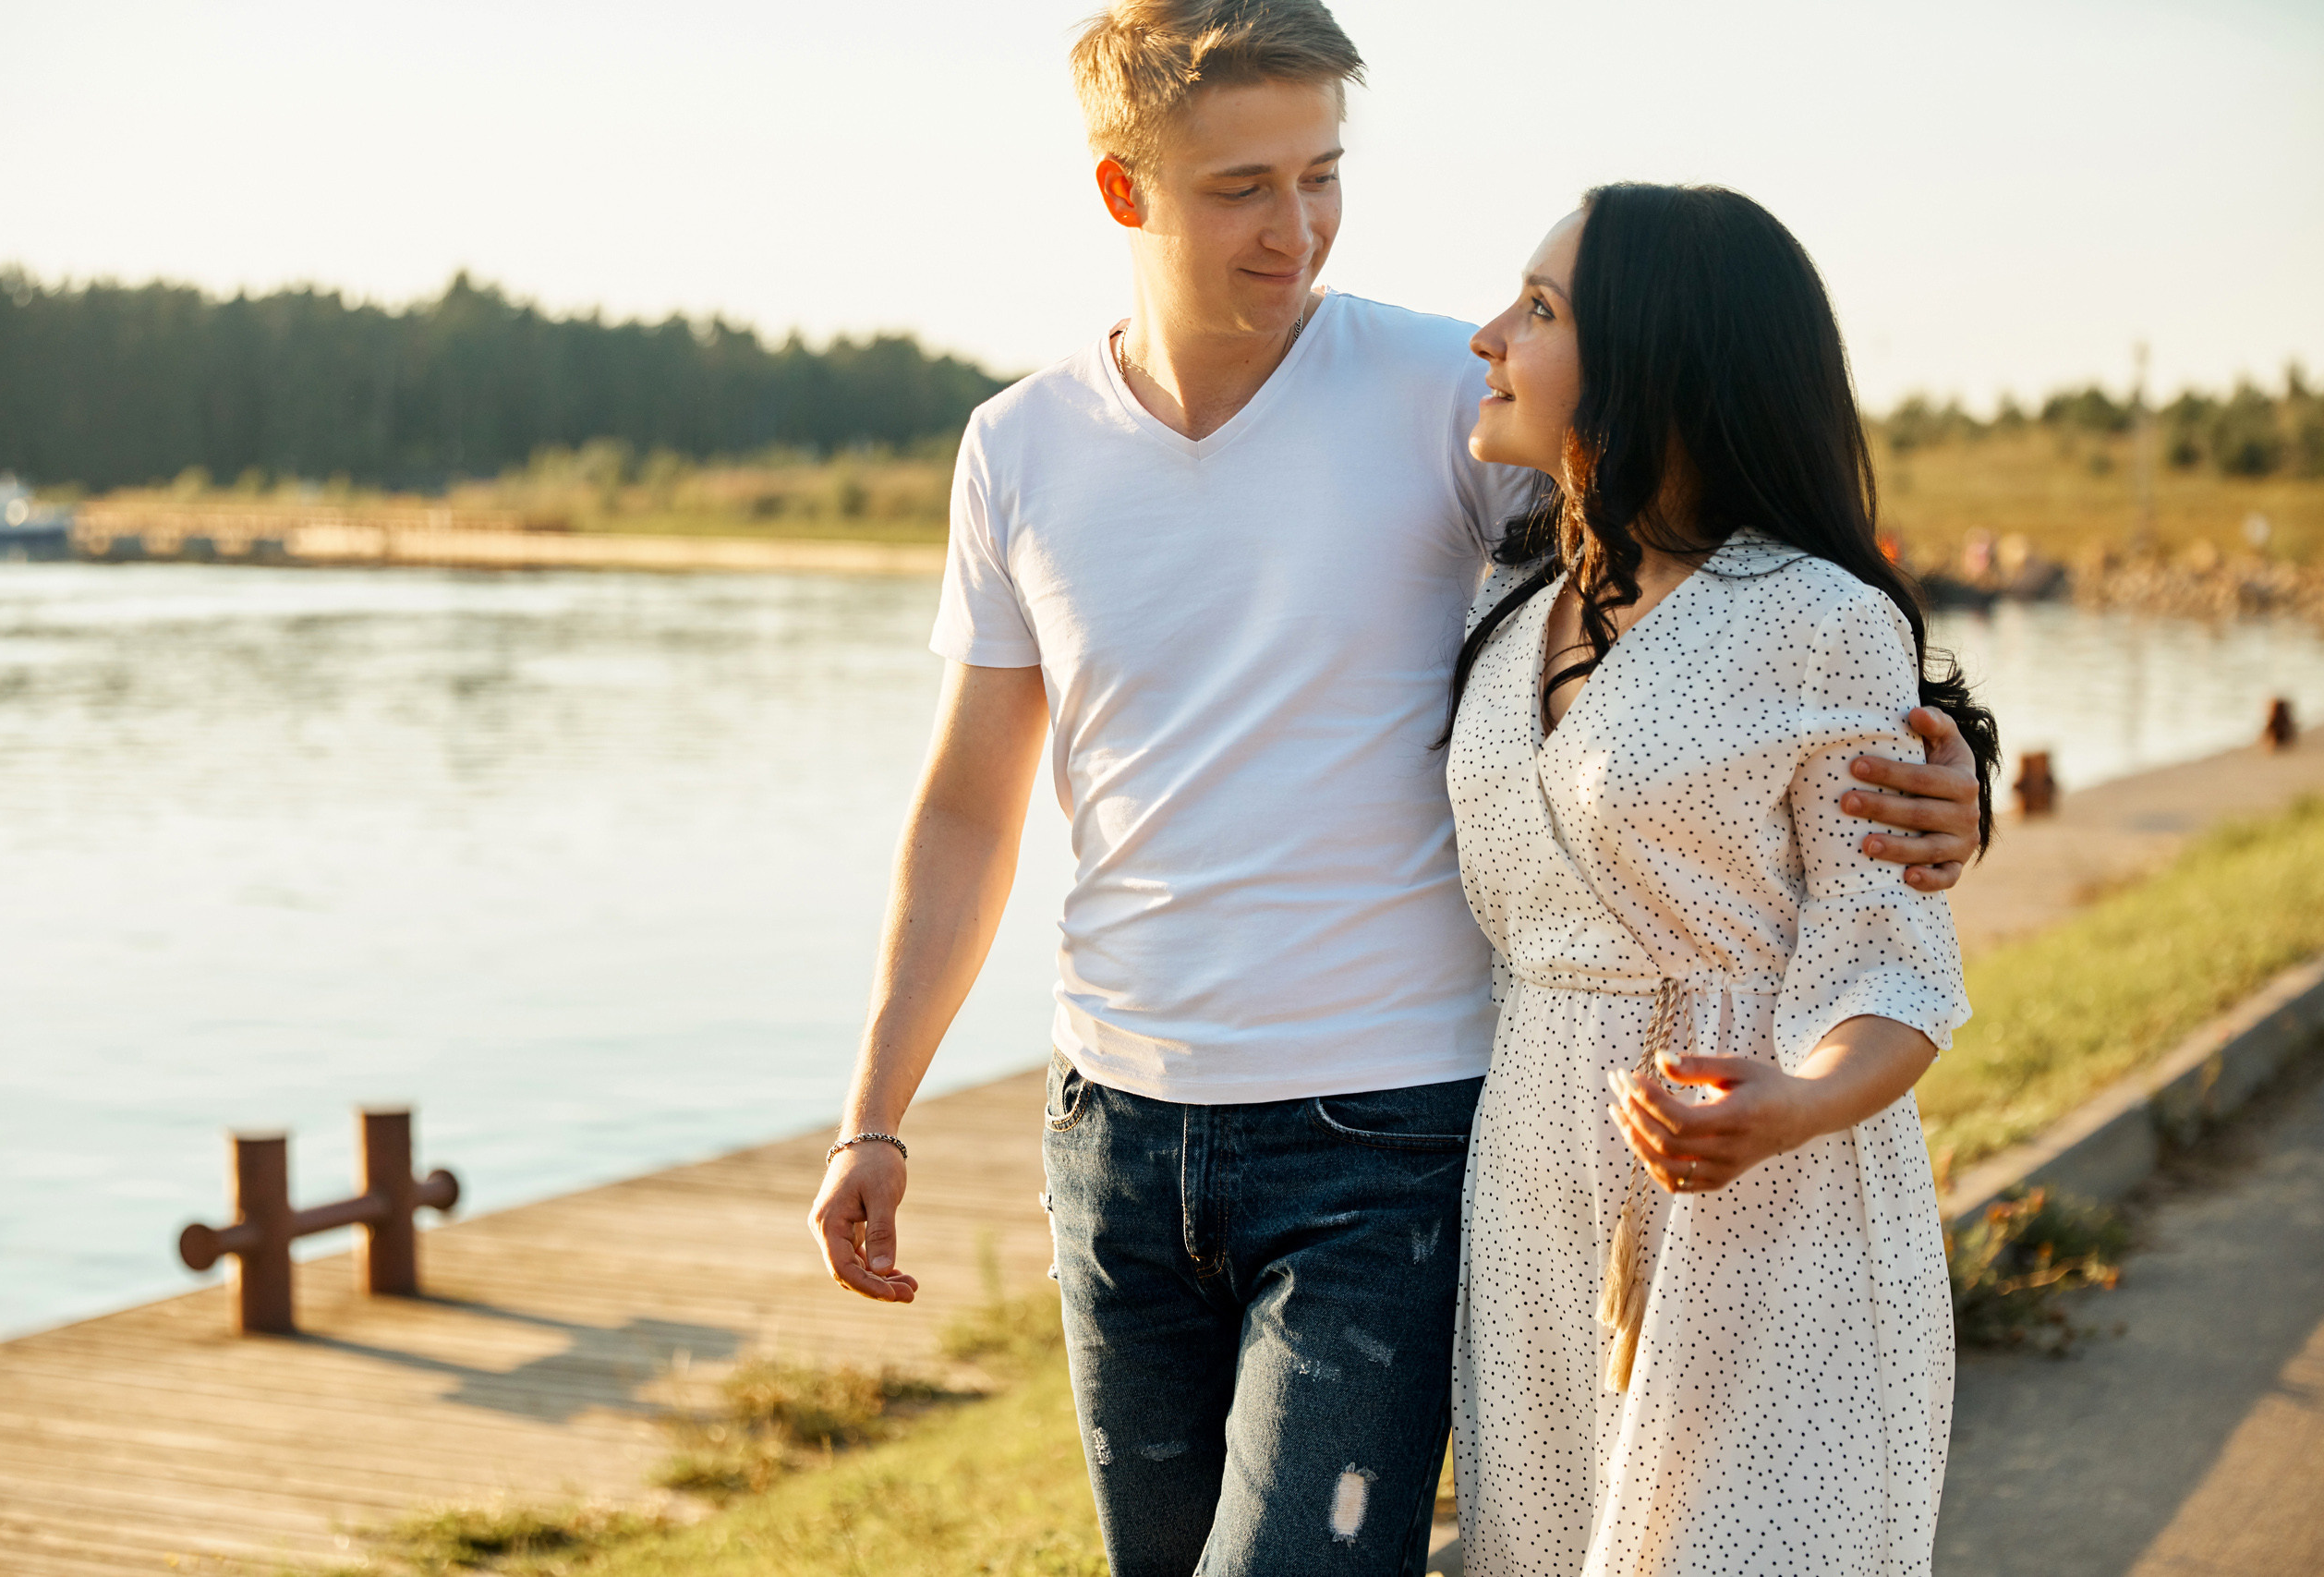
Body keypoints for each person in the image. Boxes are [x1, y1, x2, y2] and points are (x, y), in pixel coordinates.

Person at [805, 6, 1985, 1572]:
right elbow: (967, 806)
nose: (1294, 229)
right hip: (1110, 1132)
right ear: (1123, 192)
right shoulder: (1015, 450)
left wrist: (1951, 749)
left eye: (1322, 173)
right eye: (1241, 188)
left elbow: (1717, 571)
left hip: (1386, 1131)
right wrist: (873, 1112)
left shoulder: (1449, 393)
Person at [1446, 183, 1994, 1575]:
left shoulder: (1819, 620)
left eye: (1542, 309)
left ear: (1657, 362)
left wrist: (1800, 1101)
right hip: (1533, 1183)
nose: (1489, 334)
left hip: (1759, 1192)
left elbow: (1892, 962)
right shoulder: (1516, 602)